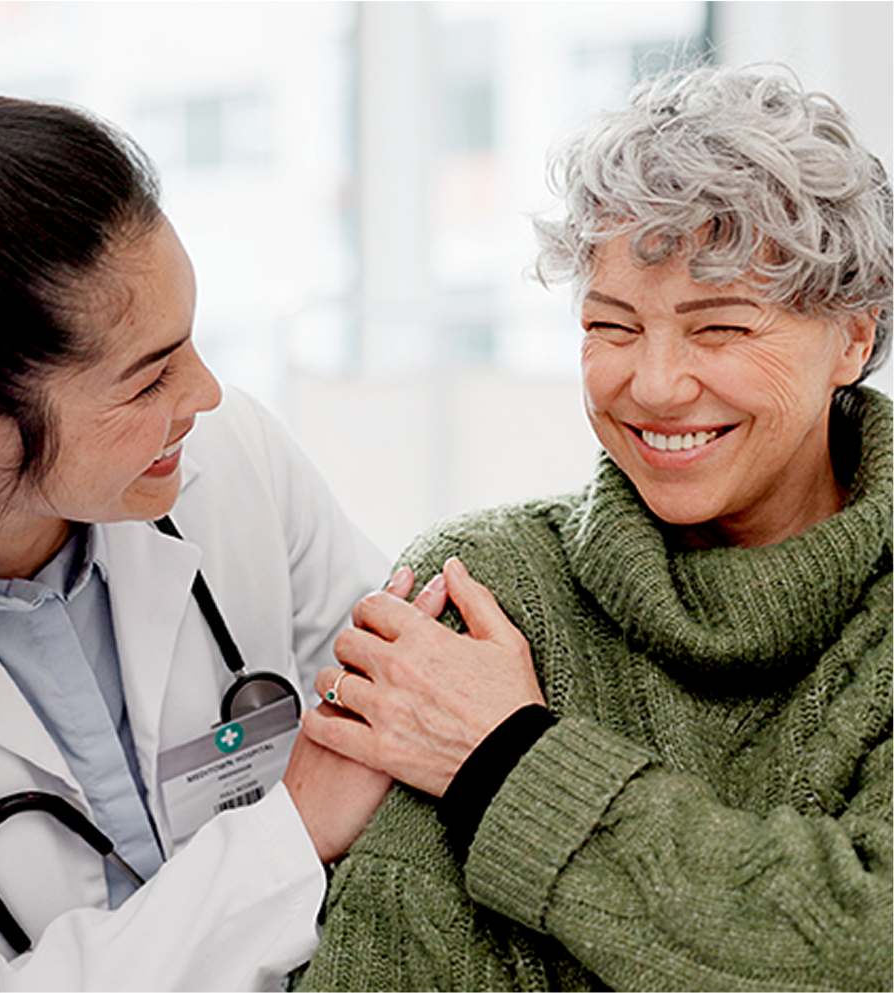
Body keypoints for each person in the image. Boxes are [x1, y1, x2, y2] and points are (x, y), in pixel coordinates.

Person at [293, 66, 894, 990]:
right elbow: (393, 961)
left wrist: (509, 765)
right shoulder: (477, 588)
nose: (653, 385)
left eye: (720, 328)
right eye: (611, 326)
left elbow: (869, 949)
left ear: (854, 335)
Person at [0, 95, 397, 992]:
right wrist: (285, 839)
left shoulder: (232, 461)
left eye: (191, 343)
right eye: (148, 379)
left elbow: (396, 730)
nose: (204, 393)